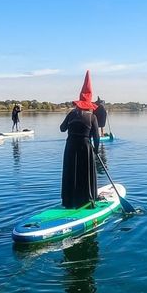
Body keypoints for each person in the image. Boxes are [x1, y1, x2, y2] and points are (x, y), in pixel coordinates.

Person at [59, 71, 100, 208]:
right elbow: (96, 136)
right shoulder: (92, 117)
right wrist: (96, 149)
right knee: (85, 173)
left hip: (70, 145)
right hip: (85, 146)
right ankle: (88, 199)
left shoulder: (71, 113)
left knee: (71, 171)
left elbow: (62, 129)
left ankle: (69, 200)